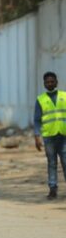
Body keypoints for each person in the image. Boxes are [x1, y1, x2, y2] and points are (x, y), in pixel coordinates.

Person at [34, 71, 66, 200]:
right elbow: (37, 119)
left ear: (56, 82)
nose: (50, 83)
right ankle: (53, 189)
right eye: (47, 82)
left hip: (64, 136)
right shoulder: (40, 99)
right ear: (44, 84)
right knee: (52, 163)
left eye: (52, 81)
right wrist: (37, 136)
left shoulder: (64, 96)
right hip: (49, 137)